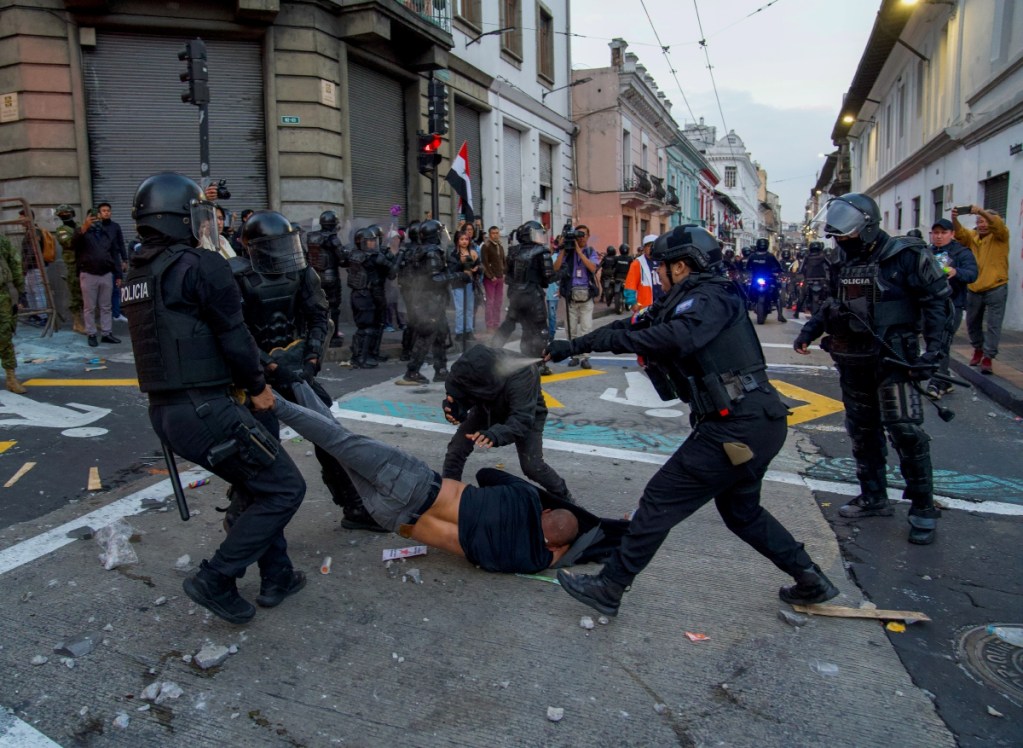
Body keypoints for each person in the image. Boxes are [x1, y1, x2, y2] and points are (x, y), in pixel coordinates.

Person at [545, 225, 839, 617]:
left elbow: (674, 339)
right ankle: (811, 579)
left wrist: (620, 342)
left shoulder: (711, 299)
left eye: (662, 267)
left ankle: (610, 586)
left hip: (737, 427)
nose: (659, 274)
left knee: (659, 500)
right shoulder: (683, 301)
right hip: (750, 424)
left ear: (681, 266)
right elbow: (631, 327)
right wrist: (575, 345)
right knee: (742, 513)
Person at [122, 172, 306, 624]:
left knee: (257, 482)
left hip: (168, 415)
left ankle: (277, 574)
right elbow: (234, 335)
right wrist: (260, 388)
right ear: (181, 218)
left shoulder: (138, 273)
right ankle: (216, 577)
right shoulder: (201, 265)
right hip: (208, 408)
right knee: (285, 488)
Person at [273, 386, 631, 574]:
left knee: (339, 439)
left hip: (415, 484)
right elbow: (554, 560)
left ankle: (275, 397)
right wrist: (562, 552)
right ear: (554, 548)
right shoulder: (522, 558)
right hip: (396, 519)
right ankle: (293, 386)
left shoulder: (523, 500)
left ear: (546, 510)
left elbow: (487, 474)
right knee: (336, 445)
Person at [793, 193, 952, 545]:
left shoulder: (906, 256)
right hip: (853, 358)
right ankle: (873, 496)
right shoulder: (841, 261)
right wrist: (810, 330)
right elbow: (834, 303)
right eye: (839, 236)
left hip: (896, 358)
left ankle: (923, 507)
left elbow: (938, 304)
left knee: (905, 431)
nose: (843, 241)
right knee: (862, 431)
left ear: (867, 225)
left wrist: (935, 355)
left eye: (848, 234)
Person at [440, 345, 571, 501]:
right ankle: (447, 497)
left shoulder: (524, 373)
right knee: (456, 448)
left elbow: (521, 419)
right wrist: (454, 408)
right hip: (487, 407)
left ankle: (566, 498)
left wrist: (495, 434)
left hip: (526, 414)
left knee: (532, 466)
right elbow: (459, 391)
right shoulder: (466, 367)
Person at [398, 219, 463, 385]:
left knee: (441, 335)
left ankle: (441, 370)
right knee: (426, 335)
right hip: (430, 300)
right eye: (441, 232)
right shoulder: (432, 252)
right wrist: (459, 276)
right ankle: (412, 371)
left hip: (432, 300)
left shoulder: (422, 250)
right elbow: (434, 279)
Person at [953, 205, 1010, 375]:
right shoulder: (974, 237)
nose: (982, 224)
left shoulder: (1001, 235)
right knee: (972, 322)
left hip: (996, 286)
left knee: (994, 324)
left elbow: (997, 225)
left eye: (985, 221)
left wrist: (981, 211)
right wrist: (955, 218)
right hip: (975, 287)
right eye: (979, 221)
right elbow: (960, 234)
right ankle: (978, 349)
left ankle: (988, 357)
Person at [925, 218, 977, 399]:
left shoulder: (962, 253)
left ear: (952, 234)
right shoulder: (927, 252)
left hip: (952, 305)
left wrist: (956, 272)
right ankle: (944, 380)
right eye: (935, 233)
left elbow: (972, 274)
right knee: (935, 342)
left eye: (943, 233)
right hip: (930, 305)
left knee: (941, 342)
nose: (938, 237)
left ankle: (937, 382)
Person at [491, 221, 557, 361]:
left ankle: (491, 352)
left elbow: (508, 277)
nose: (540, 237)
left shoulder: (513, 251)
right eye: (537, 234)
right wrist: (563, 272)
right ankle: (538, 361)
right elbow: (548, 278)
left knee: (509, 324)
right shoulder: (542, 252)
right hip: (533, 297)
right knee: (539, 329)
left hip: (516, 297)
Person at [339, 225, 395, 368]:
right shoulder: (371, 258)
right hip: (364, 295)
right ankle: (360, 358)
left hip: (365, 295)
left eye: (373, 241)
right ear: (361, 242)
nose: (372, 243)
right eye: (369, 241)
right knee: (366, 328)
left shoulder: (354, 255)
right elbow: (392, 272)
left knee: (371, 327)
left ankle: (367, 355)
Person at [73, 207, 122, 347]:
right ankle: (92, 334)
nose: (96, 221)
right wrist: (85, 227)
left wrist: (118, 274)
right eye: (93, 218)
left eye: (98, 218)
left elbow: (115, 254)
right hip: (88, 274)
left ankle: (107, 333)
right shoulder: (82, 233)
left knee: (106, 306)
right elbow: (73, 243)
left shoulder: (106, 234)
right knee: (89, 307)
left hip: (106, 274)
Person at [554, 224, 599, 369]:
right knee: (571, 329)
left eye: (584, 235)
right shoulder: (567, 252)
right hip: (570, 295)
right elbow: (556, 268)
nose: (581, 238)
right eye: (578, 235)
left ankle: (585, 357)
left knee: (586, 328)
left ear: (588, 236)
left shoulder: (590, 251)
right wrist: (562, 249)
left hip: (586, 295)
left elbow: (593, 268)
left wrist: (579, 252)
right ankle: (573, 355)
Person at [306, 210, 345, 349]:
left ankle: (318, 334)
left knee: (318, 306)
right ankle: (333, 336)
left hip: (314, 276)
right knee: (333, 307)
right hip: (330, 277)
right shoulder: (333, 239)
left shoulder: (311, 237)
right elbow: (343, 260)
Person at [1, 233, 28, 394]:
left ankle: (11, 378)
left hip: (1, 296)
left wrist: (21, 292)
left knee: (4, 335)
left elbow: (15, 263)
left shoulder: (2, 241)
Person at [54, 204, 85, 334]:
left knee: (86, 295)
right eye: (63, 213)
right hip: (73, 265)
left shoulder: (78, 226)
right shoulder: (61, 230)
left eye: (68, 212)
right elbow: (69, 243)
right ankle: (77, 323)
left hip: (84, 263)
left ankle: (86, 320)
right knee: (75, 294)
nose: (66, 215)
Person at [451, 229, 481, 342]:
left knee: (469, 308)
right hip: (458, 284)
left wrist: (477, 268)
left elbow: (479, 266)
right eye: (461, 239)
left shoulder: (473, 252)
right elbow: (452, 269)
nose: (464, 241)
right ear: (457, 241)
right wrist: (461, 262)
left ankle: (469, 330)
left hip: (469, 284)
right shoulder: (454, 254)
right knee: (460, 309)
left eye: (466, 239)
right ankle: (459, 332)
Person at [747, 238, 785, 322]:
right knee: (776, 296)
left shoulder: (753, 256)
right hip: (765, 278)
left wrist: (778, 271)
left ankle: (780, 315)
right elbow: (778, 266)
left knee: (776, 295)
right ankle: (780, 315)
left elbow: (747, 267)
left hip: (763, 278)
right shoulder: (769, 255)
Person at [624, 234, 662, 315]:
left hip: (663, 304)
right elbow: (630, 285)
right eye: (649, 246)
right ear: (644, 248)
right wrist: (633, 304)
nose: (651, 248)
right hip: (644, 307)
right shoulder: (637, 263)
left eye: (654, 245)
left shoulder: (664, 261)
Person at [794, 241, 832, 319]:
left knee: (802, 296)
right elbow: (830, 264)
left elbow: (800, 268)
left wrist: (800, 272)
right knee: (829, 293)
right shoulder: (822, 256)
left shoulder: (807, 257)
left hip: (809, 279)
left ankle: (797, 312)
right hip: (821, 279)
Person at [481, 225, 506, 332]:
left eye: (497, 233)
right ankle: (489, 325)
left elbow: (503, 261)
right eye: (493, 233)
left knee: (498, 302)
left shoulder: (500, 245)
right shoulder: (486, 246)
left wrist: (504, 273)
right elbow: (484, 263)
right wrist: (491, 276)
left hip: (500, 277)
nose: (495, 235)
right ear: (489, 234)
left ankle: (496, 323)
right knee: (490, 302)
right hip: (490, 279)